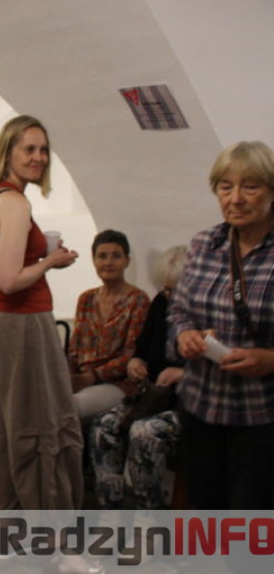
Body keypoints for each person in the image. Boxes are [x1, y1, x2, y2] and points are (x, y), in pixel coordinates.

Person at [0, 114, 83, 512]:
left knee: (1, 417)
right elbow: (11, 280)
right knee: (38, 422)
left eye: (43, 149)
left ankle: (6, 502)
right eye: (29, 149)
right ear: (8, 153)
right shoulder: (14, 203)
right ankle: (46, 524)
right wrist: (51, 261)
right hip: (17, 321)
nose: (39, 157)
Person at [170, 141, 274, 510]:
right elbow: (179, 311)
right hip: (202, 409)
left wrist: (268, 359)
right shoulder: (204, 244)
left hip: (261, 416)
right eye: (225, 187)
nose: (237, 198)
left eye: (251, 186)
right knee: (206, 518)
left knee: (250, 537)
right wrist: (186, 335)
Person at [88, 245, 186, 509]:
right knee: (104, 425)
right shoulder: (161, 303)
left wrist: (184, 373)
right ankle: (111, 508)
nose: (170, 296)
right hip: (153, 396)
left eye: (176, 290)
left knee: (144, 433)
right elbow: (141, 350)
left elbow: (220, 364)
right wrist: (136, 362)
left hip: (187, 403)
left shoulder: (208, 309)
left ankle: (150, 515)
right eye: (166, 289)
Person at [68, 230, 151, 420]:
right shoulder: (86, 298)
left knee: (69, 406)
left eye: (116, 256)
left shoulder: (137, 300)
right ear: (94, 261)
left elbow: (131, 354)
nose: (108, 263)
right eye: (102, 256)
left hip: (119, 383)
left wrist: (90, 378)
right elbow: (74, 348)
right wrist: (68, 377)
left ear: (127, 261)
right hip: (82, 379)